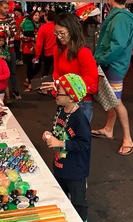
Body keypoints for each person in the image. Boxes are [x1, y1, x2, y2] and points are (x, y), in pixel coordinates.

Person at [92, 0, 133, 155]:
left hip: (114, 65)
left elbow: (117, 45)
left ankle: (128, 140)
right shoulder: (121, 17)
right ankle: (109, 129)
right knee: (112, 98)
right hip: (113, 63)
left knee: (115, 100)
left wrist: (101, 59)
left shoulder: (120, 18)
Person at [42, 73, 91, 222]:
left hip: (75, 171)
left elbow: (84, 144)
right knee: (61, 197)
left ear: (70, 97)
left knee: (78, 203)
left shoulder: (79, 118)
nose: (55, 94)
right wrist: (50, 135)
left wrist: (60, 143)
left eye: (58, 92)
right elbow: (60, 130)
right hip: (59, 165)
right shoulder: (61, 109)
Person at [41, 13, 98, 122]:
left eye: (62, 33)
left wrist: (62, 86)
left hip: (81, 103)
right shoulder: (58, 50)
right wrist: (56, 85)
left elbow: (92, 86)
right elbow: (57, 74)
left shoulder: (83, 53)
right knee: (61, 135)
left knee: (75, 138)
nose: (58, 37)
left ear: (72, 31)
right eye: (56, 33)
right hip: (65, 101)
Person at [0, 0, 21, 100]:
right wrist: (6, 32)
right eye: (4, 8)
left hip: (10, 49)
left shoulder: (11, 20)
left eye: (8, 8)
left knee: (12, 71)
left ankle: (15, 91)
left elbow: (15, 31)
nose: (7, 10)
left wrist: (1, 33)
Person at [21, 10, 42, 91]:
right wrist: (33, 38)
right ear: (32, 15)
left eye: (38, 15)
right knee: (29, 66)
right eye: (35, 15)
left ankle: (29, 79)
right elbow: (22, 35)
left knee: (38, 66)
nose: (37, 16)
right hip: (28, 47)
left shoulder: (40, 25)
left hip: (37, 48)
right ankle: (30, 84)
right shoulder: (26, 23)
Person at [34, 10, 57, 79]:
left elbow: (39, 43)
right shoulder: (57, 26)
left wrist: (37, 56)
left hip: (48, 52)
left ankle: (44, 87)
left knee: (46, 71)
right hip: (58, 51)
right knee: (57, 70)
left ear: (46, 17)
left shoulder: (43, 27)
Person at [0, 32, 11, 104]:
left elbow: (9, 58)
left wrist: (5, 57)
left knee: (5, 83)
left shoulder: (5, 49)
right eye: (0, 40)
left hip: (3, 67)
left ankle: (7, 97)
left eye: (3, 41)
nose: (1, 42)